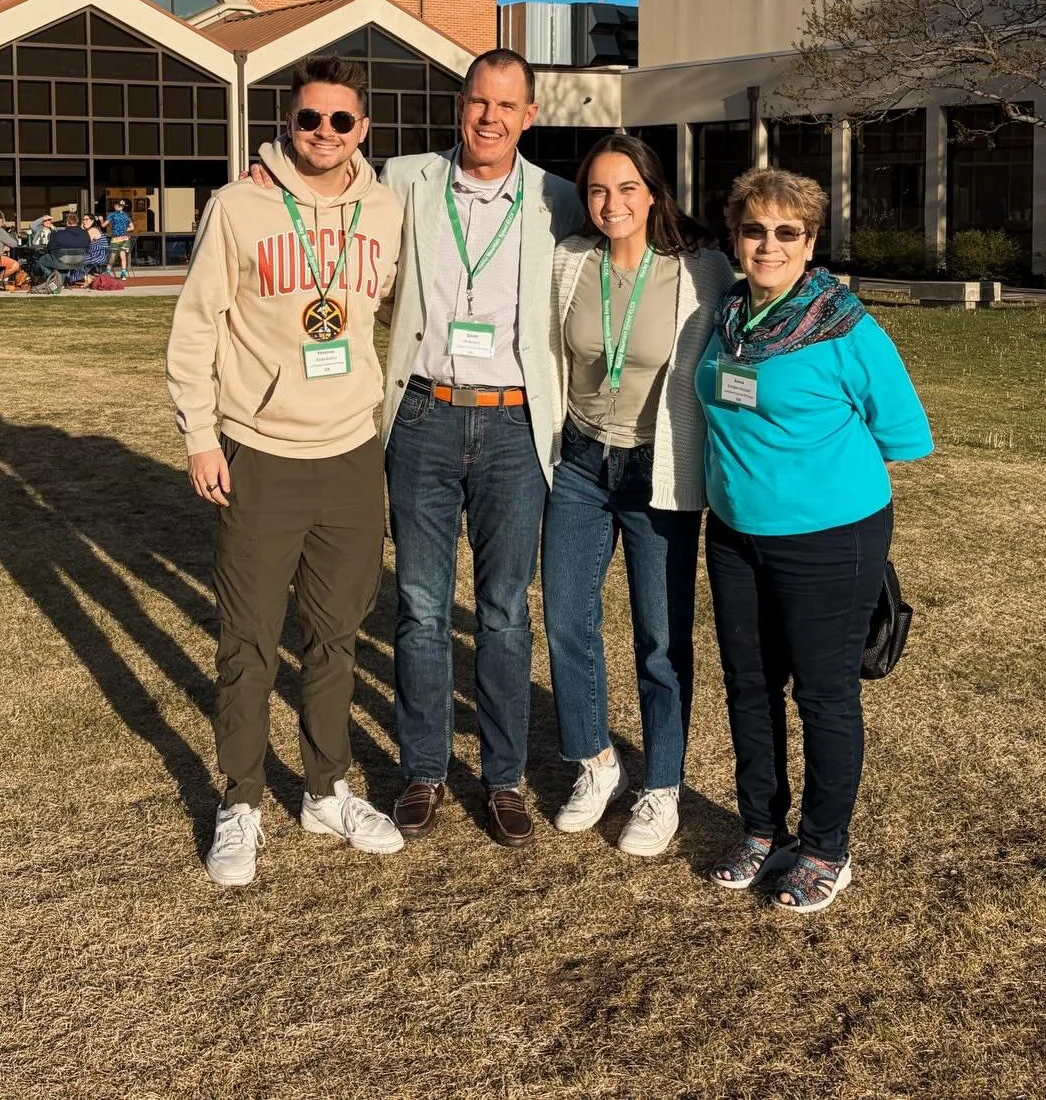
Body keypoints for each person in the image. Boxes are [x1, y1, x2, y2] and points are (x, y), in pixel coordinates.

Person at [167, 54, 406, 885]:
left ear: (362, 128)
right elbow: (196, 325)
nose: (325, 133)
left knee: (335, 637)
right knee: (248, 641)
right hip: (261, 450)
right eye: (310, 118)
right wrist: (201, 436)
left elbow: (401, 307)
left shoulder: (386, 209)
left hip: (351, 451)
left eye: (341, 120)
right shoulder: (239, 205)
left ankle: (326, 789)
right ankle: (240, 800)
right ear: (289, 123)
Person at [697, 167, 933, 913]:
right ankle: (762, 830)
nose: (768, 245)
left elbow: (905, 434)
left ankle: (826, 847)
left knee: (824, 696)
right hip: (734, 533)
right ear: (735, 238)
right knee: (748, 684)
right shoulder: (729, 314)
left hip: (829, 539)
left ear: (810, 243)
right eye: (754, 230)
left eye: (786, 232)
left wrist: (812, 469)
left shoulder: (844, 326)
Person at [380, 51, 581, 846]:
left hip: (513, 425)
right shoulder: (406, 179)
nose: (489, 118)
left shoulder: (560, 199)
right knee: (421, 606)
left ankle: (503, 778)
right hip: (422, 416)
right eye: (477, 102)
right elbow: (325, 186)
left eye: (506, 105)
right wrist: (263, 166)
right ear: (459, 104)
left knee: (502, 612)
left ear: (529, 115)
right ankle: (424, 770)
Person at [543, 135, 732, 856]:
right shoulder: (569, 262)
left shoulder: (701, 270)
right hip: (581, 464)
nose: (612, 203)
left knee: (660, 636)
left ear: (653, 193)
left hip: (658, 470)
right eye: (597, 190)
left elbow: (753, 321)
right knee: (567, 617)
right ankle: (596, 761)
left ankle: (661, 786)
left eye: (627, 188)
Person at [33, 211, 91, 289]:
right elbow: (88, 247)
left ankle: (53, 279)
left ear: (67, 222)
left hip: (61, 261)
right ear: (77, 221)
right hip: (79, 262)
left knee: (41, 261)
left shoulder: (59, 234)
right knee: (63, 264)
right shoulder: (85, 234)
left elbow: (50, 247)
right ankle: (59, 282)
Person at [106, 200, 134, 279]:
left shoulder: (112, 215)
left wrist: (101, 220)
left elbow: (104, 225)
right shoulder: (126, 215)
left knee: (113, 256)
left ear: (116, 206)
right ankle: (123, 273)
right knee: (123, 256)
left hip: (116, 238)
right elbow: (132, 227)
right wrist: (124, 229)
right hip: (125, 238)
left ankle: (107, 271)